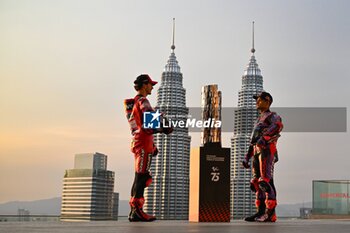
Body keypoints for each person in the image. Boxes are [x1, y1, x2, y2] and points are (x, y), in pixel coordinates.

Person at [124, 74, 173, 222]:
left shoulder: (134, 103)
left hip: (141, 143)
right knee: (142, 177)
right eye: (151, 84)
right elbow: (148, 120)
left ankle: (135, 210)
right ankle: (137, 211)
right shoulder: (143, 101)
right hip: (143, 144)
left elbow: (137, 128)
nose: (152, 87)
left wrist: (153, 145)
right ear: (145, 85)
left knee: (139, 176)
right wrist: (164, 126)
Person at [242, 91, 283, 222]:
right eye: (257, 100)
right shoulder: (259, 119)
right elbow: (253, 139)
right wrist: (247, 156)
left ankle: (270, 213)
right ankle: (260, 212)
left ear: (267, 101)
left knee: (265, 180)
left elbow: (277, 126)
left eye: (259, 100)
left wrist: (265, 138)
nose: (257, 102)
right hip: (256, 151)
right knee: (256, 182)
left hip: (266, 150)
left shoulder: (273, 116)